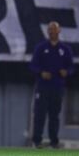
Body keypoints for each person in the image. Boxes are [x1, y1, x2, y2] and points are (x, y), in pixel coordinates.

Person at [30, 21, 74, 149]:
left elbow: (71, 67)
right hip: (43, 86)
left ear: (59, 31)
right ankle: (37, 141)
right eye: (50, 29)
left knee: (54, 115)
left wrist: (66, 72)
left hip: (57, 87)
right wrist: (41, 72)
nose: (52, 32)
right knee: (39, 114)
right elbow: (33, 65)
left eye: (54, 29)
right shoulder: (41, 48)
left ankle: (54, 142)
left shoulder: (65, 49)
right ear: (47, 31)